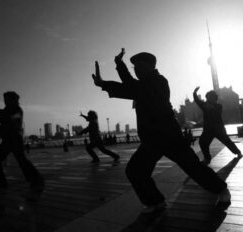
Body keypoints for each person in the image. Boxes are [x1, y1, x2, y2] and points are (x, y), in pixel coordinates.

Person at [92, 48, 231, 213]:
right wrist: (106, 80)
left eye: (139, 66)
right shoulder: (142, 85)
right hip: (152, 139)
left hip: (168, 136)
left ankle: (222, 191)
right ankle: (155, 202)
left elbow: (132, 88)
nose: (135, 70)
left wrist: (118, 68)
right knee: (136, 171)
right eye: (133, 67)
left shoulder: (158, 81)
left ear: (150, 66)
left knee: (193, 167)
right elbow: (131, 88)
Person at [0, 90, 44, 200]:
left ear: (13, 100)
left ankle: (36, 180)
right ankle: (0, 184)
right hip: (8, 140)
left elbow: (4, 117)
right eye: (4, 100)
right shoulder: (8, 110)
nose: (5, 102)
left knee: (20, 161)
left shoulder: (18, 111)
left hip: (14, 140)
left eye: (7, 100)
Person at [193, 87, 243, 164]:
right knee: (202, 142)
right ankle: (207, 158)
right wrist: (194, 93)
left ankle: (238, 152)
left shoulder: (218, 106)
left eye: (210, 97)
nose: (208, 99)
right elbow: (197, 101)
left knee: (227, 142)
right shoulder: (205, 105)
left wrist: (207, 106)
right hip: (208, 130)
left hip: (218, 129)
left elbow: (214, 109)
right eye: (207, 97)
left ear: (214, 98)